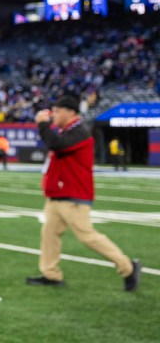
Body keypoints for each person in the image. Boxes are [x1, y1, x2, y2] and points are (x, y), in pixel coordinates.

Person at [26, 95, 141, 291]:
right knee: (49, 234)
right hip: (58, 195)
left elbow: (56, 145)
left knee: (87, 237)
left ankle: (128, 267)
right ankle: (51, 274)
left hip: (74, 195)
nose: (54, 114)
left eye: (57, 111)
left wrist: (43, 125)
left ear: (70, 112)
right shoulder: (66, 131)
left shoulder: (80, 131)